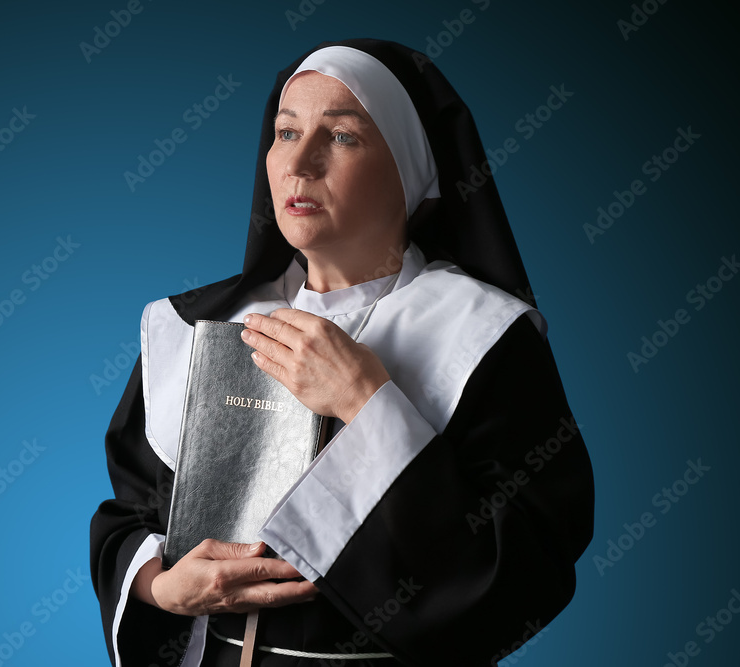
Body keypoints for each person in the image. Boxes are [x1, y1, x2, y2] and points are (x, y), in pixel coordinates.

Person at [90, 38, 595, 666]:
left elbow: (527, 570)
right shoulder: (196, 325)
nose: (299, 163)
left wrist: (367, 401)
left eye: (343, 137)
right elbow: (129, 514)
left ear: (409, 170)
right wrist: (160, 588)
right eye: (285, 132)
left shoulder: (485, 336)